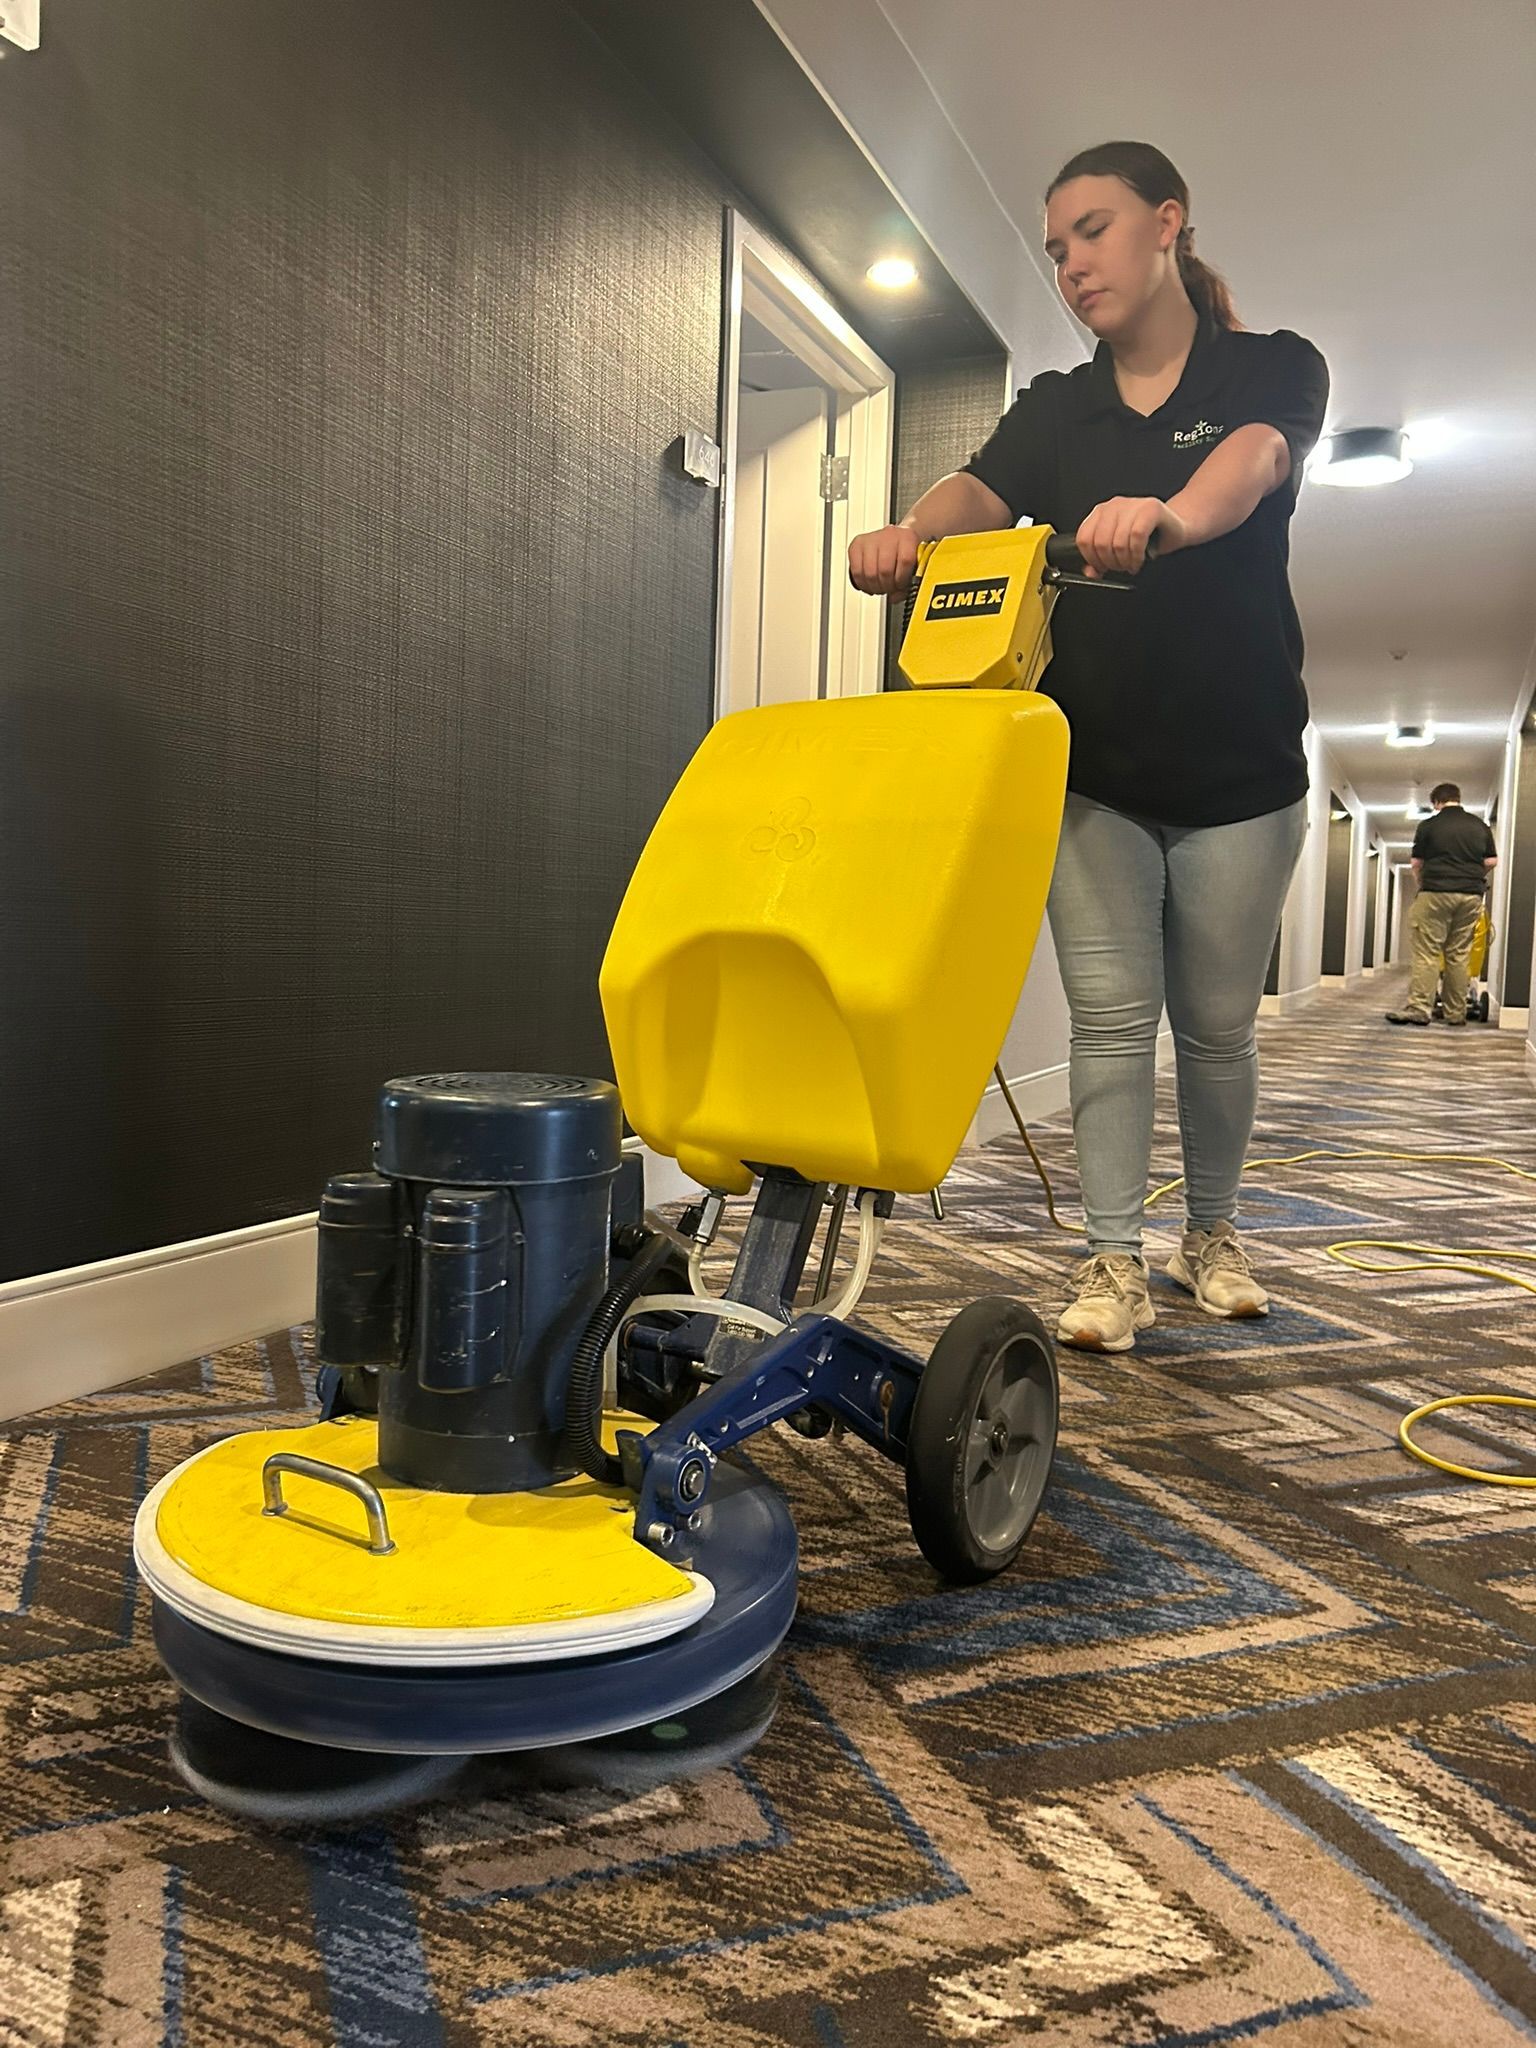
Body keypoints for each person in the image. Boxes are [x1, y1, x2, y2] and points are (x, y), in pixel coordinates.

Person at [848, 140, 1329, 1355]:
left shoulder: (1270, 368)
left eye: (1095, 230)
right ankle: (1112, 1253)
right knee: (1112, 1018)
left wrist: (1166, 514)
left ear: (1169, 222)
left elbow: (1252, 462)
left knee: (1216, 1024)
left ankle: (1210, 1231)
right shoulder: (1059, 406)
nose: (1071, 264)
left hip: (1242, 774)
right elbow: (975, 490)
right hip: (1095, 768)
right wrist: (908, 533)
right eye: (1056, 247)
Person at [1386, 784, 1497, 1027]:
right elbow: (1491, 860)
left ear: (1437, 802)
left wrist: (1423, 882)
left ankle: (1419, 1009)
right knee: (1459, 954)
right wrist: (1471, 875)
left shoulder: (1429, 826)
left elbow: (1416, 862)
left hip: (1435, 892)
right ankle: (1455, 1013)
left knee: (1427, 952)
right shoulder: (1480, 826)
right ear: (1458, 799)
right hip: (1470, 896)